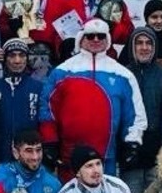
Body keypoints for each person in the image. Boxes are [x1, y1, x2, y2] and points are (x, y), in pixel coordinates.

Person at [39, 19, 147, 178]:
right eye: (90, 36)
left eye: (101, 36)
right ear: (81, 38)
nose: (96, 40)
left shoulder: (123, 75)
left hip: (107, 158)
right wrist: (49, 141)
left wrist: (132, 142)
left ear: (108, 39)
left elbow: (135, 114)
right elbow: (46, 109)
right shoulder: (62, 71)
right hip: (69, 158)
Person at [121, 26, 162, 193]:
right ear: (132, 46)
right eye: (139, 43)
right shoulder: (122, 74)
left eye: (149, 43)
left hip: (156, 151)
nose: (144, 47)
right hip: (130, 151)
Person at [0, 38, 42, 153]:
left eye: (22, 55)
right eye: (12, 55)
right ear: (5, 59)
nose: (17, 60)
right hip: (0, 154)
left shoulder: (39, 87)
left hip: (30, 155)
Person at [119, 0, 162, 67]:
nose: (159, 21)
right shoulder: (135, 39)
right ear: (147, 19)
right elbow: (122, 65)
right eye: (154, 17)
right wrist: (157, 63)